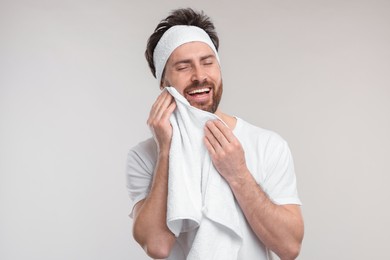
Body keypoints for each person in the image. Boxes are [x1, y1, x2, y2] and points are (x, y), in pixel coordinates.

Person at [126, 8, 304, 260]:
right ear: (164, 83)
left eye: (208, 62)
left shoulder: (267, 144)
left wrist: (238, 174)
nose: (200, 76)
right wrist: (166, 151)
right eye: (183, 66)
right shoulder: (144, 156)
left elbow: (289, 247)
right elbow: (157, 246)